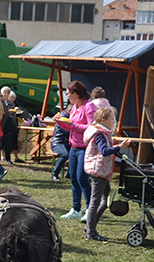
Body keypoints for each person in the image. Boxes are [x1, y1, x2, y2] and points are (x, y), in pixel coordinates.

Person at [82, 106, 132, 241]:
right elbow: (104, 151)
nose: (114, 121)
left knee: (105, 200)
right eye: (112, 119)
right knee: (96, 201)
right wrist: (120, 147)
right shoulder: (100, 134)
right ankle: (91, 231)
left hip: (100, 170)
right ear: (103, 120)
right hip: (99, 171)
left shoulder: (102, 132)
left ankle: (90, 227)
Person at [59, 80, 97, 220]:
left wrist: (72, 124)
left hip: (85, 147)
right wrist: (61, 122)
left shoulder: (89, 106)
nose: (67, 96)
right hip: (73, 147)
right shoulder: (75, 106)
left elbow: (91, 127)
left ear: (76, 93)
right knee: (74, 178)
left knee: (82, 178)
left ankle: (90, 209)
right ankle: (76, 209)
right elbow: (71, 127)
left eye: (68, 94)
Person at [50, 109, 70, 182]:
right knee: (64, 154)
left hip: (67, 142)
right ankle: (54, 174)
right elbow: (67, 130)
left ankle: (69, 174)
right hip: (58, 142)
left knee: (76, 153)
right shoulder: (62, 118)